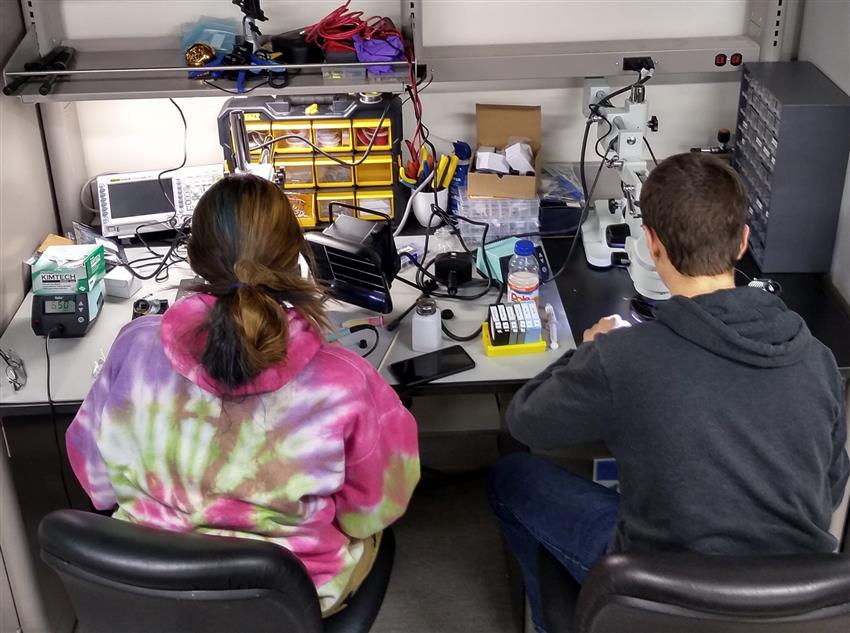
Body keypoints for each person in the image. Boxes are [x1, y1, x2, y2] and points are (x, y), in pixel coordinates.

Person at [490, 153, 849, 632]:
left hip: (653, 592)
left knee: (512, 476)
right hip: (793, 602)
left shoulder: (624, 356)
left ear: (651, 244)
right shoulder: (818, 359)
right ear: (743, 241)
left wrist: (588, 350)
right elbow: (832, 486)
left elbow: (525, 420)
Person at [66, 174, 420, 616]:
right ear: (296, 257)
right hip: (290, 599)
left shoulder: (134, 345)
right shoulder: (347, 382)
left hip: (150, 585)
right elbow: (374, 510)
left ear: (193, 257)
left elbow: (97, 483)